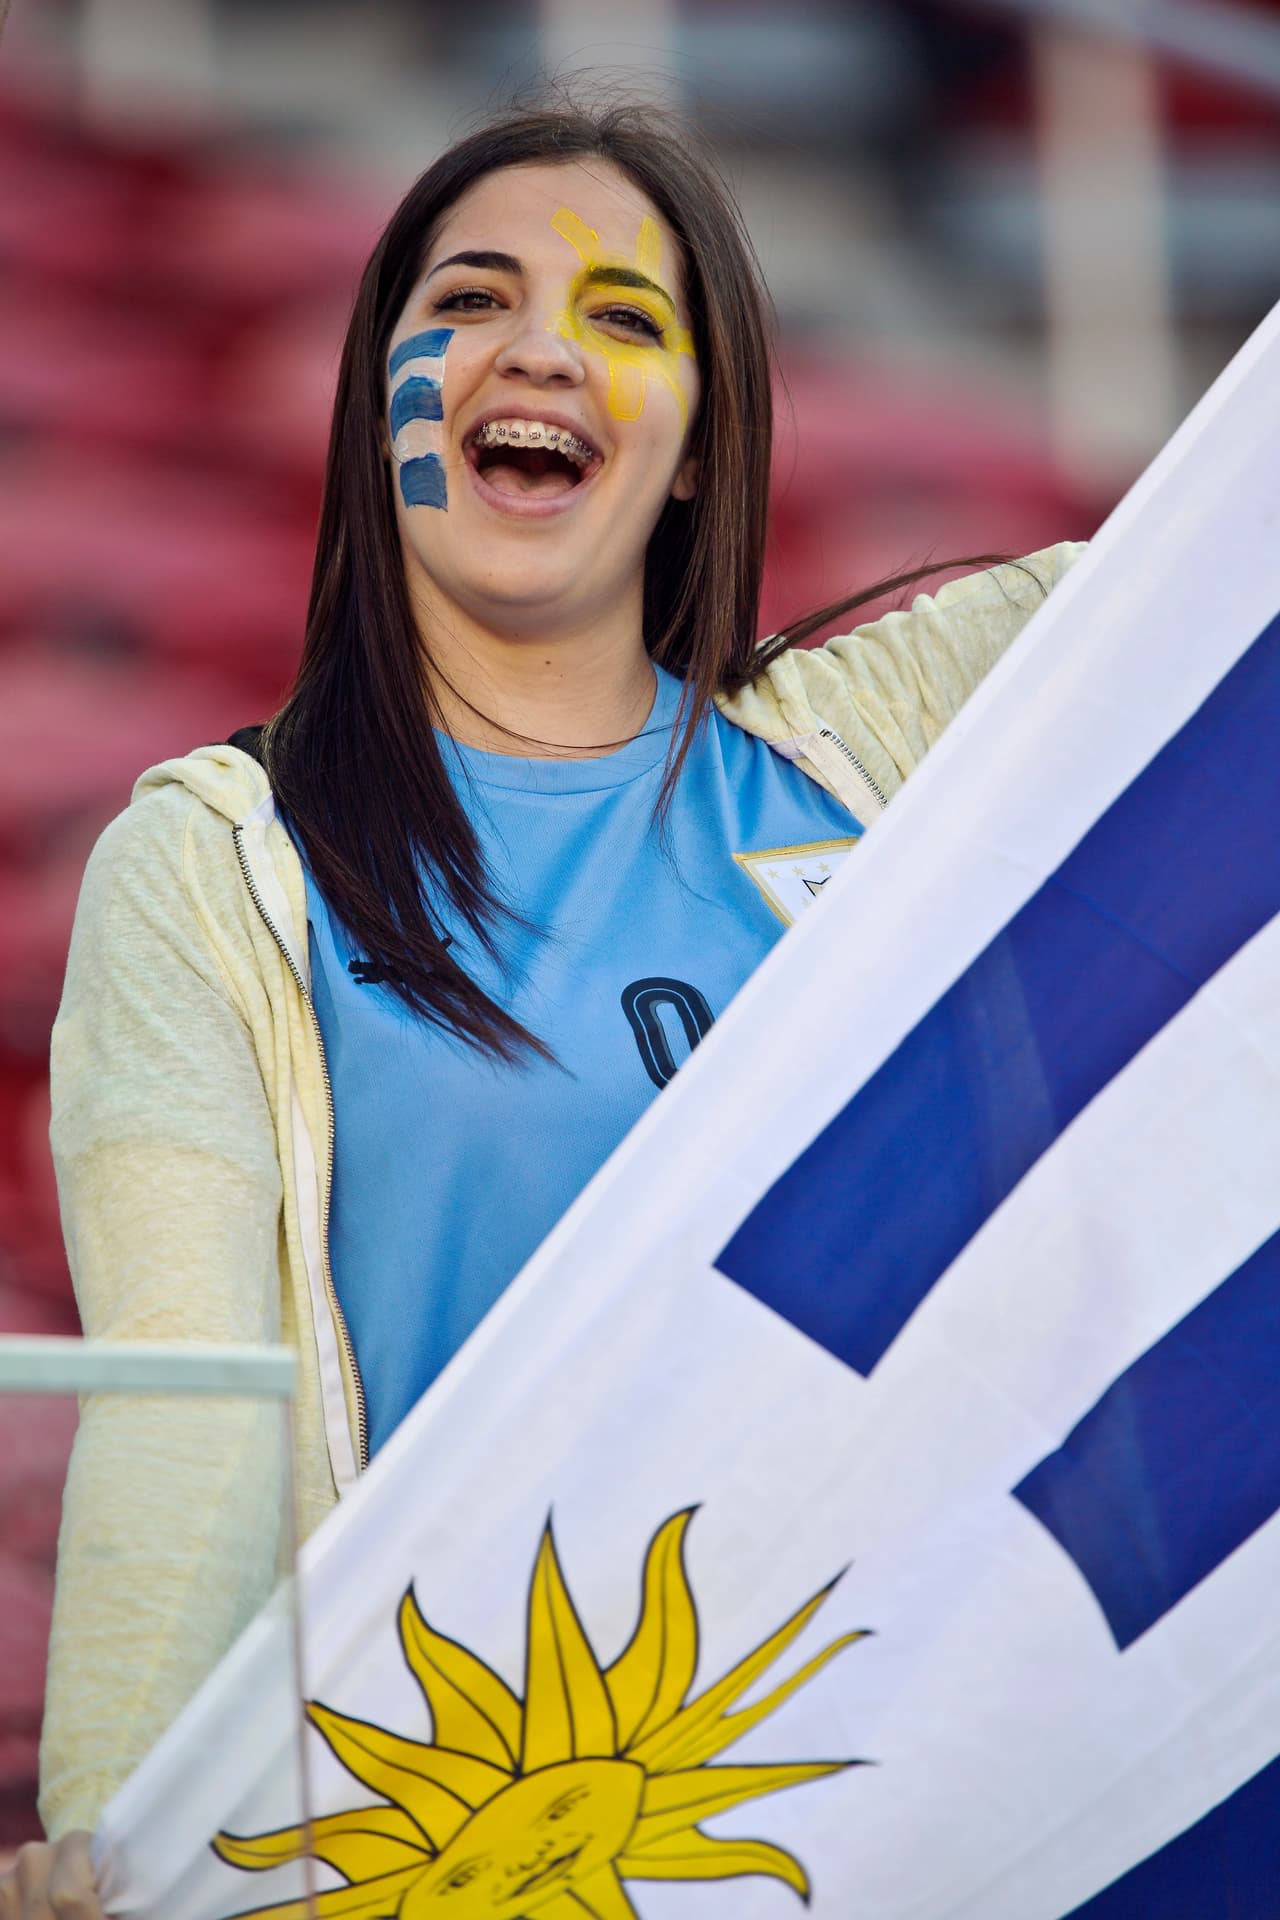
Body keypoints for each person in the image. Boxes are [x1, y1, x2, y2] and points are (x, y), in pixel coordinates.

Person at [6, 100, 1084, 1917]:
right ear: (385, 404)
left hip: (904, 1811)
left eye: (624, 319)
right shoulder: (213, 866)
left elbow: (1225, 582)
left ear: (691, 450)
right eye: (472, 300)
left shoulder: (879, 749)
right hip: (462, 1842)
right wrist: (118, 1834)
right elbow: (197, 1409)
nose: (537, 350)